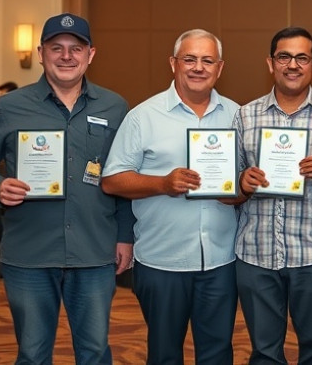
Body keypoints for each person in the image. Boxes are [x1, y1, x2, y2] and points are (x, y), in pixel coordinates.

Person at [0, 13, 133, 364]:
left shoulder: (115, 107)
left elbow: (124, 176)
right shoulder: (10, 107)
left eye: (76, 48)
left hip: (94, 250)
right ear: (41, 53)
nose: (67, 56)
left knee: (95, 352)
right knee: (33, 353)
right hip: (29, 254)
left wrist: (125, 236)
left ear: (91, 55)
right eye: (57, 48)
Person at [101, 29, 240, 365]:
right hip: (162, 261)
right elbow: (112, 180)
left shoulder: (239, 115)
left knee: (218, 353)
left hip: (222, 260)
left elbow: (246, 182)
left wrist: (237, 193)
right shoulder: (142, 116)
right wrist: (162, 184)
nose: (198, 67)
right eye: (189, 59)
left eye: (207, 60)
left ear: (219, 68)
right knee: (164, 354)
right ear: (173, 63)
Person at [234, 27, 312, 364]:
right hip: (256, 254)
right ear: (271, 63)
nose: (292, 65)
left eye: (301, 58)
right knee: (264, 354)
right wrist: (242, 181)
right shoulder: (245, 115)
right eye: (284, 57)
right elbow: (228, 185)